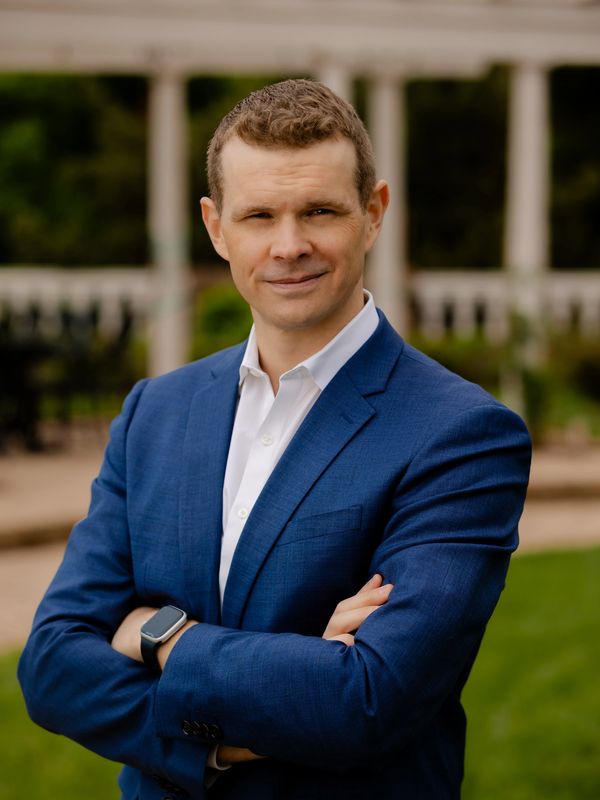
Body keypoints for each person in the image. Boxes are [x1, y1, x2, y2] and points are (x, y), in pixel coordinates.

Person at [18, 79, 531, 799]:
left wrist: (160, 637)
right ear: (216, 227)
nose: (289, 246)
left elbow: (365, 702)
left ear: (373, 213)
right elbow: (50, 666)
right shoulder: (155, 412)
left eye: (319, 211)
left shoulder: (463, 434)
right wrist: (231, 738)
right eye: (259, 215)